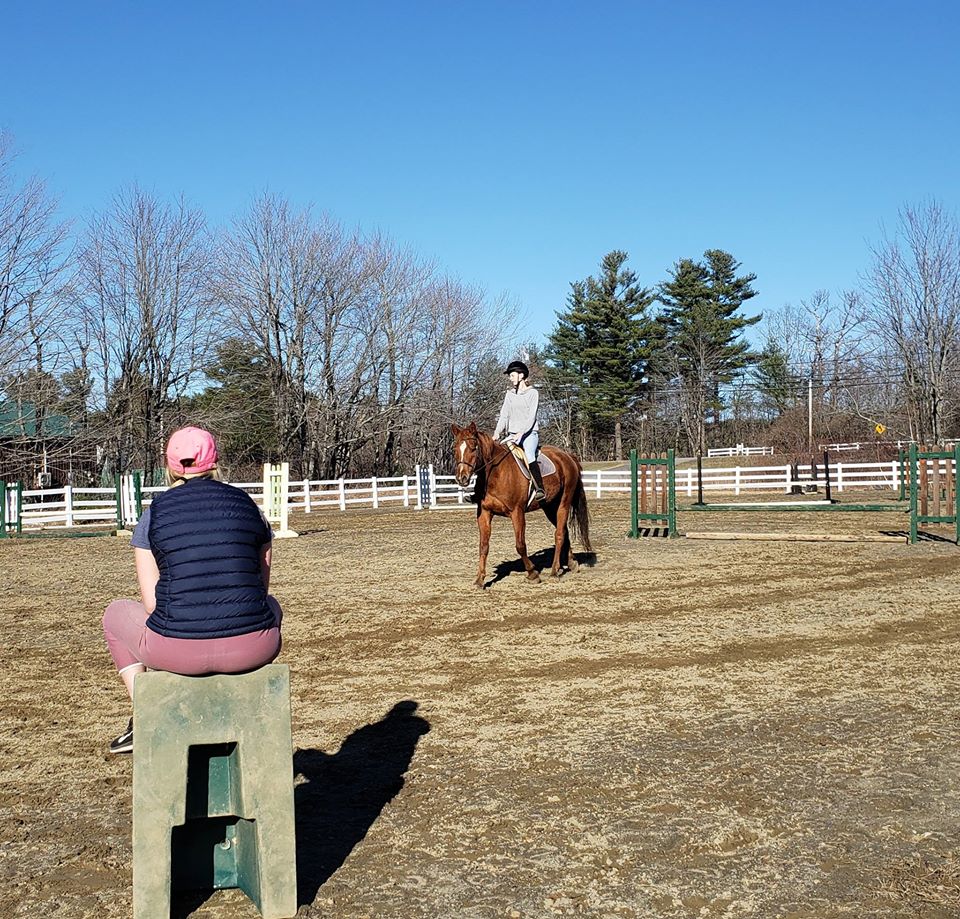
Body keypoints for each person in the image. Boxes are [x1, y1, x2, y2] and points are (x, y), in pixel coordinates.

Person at [101, 426, 282, 754]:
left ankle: (145, 713)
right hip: (254, 647)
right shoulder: (249, 507)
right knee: (272, 604)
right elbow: (260, 588)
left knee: (114, 615)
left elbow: (151, 603)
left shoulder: (154, 514)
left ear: (170, 465)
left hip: (176, 649)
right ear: (215, 460)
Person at [492, 360, 545, 502]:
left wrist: (521, 433)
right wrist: (497, 432)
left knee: (529, 455)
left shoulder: (533, 393)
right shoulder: (509, 394)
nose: (510, 378)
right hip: (512, 435)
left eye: (512, 375)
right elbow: (504, 415)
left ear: (521, 375)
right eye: (510, 376)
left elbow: (531, 417)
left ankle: (539, 488)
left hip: (529, 434)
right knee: (496, 454)